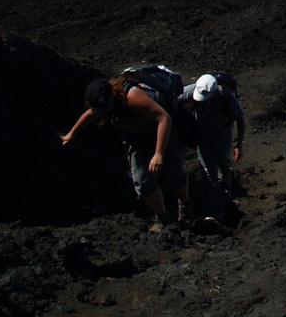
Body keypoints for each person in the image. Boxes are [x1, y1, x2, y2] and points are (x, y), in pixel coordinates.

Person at [62, 73, 190, 227]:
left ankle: (185, 205)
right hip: (137, 137)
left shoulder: (133, 97)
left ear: (112, 96)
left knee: (173, 175)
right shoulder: (104, 104)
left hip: (160, 132)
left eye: (104, 107)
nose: (102, 112)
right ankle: (163, 218)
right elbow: (91, 114)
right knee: (142, 182)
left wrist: (158, 154)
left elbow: (164, 118)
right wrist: (72, 133)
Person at [180, 72, 246, 217]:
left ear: (215, 91)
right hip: (202, 136)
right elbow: (175, 99)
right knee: (210, 173)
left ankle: (226, 195)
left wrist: (239, 145)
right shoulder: (195, 90)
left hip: (222, 136)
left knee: (224, 164)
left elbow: (240, 119)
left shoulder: (227, 98)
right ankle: (218, 209)